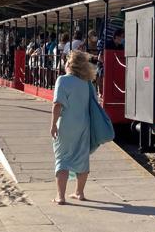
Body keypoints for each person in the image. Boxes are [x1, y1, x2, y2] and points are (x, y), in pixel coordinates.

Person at [50, 51, 95, 205]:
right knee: (82, 158)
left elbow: (57, 105)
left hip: (66, 125)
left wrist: (53, 125)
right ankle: (79, 192)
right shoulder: (86, 83)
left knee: (62, 159)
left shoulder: (62, 80)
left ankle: (60, 196)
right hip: (83, 125)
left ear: (69, 64)